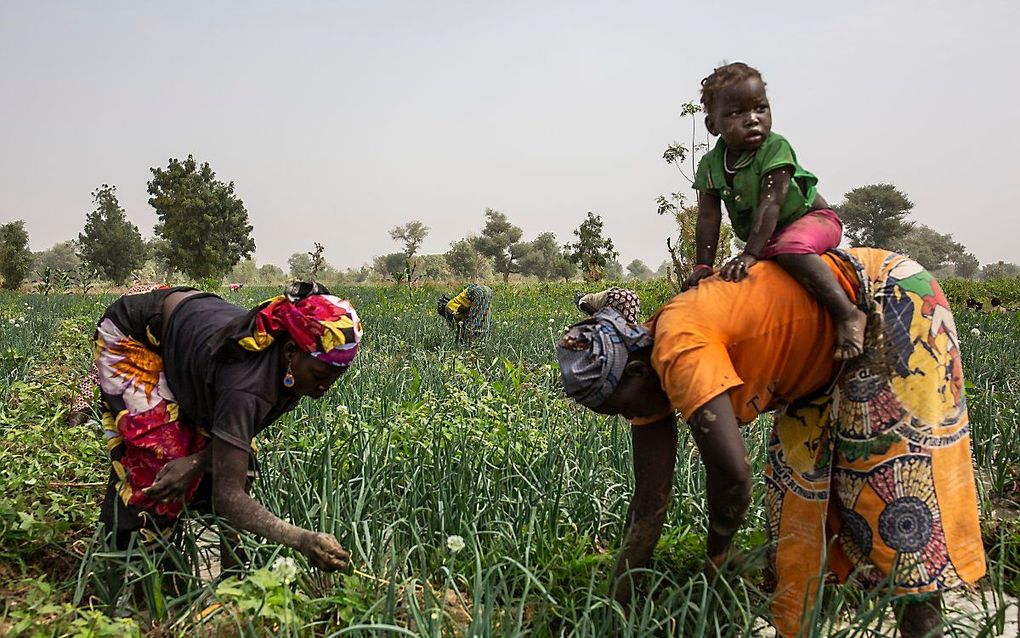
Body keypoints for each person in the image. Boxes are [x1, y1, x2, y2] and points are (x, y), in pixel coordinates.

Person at [558, 248, 985, 637]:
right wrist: (616, 601)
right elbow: (650, 498)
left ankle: (921, 625)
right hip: (815, 373)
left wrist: (718, 558)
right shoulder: (641, 370)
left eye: (616, 407)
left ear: (634, 373)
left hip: (879, 304)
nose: (623, 416)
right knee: (796, 501)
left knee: (891, 490)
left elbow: (732, 475)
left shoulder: (678, 348)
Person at [93, 281, 362, 571]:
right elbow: (228, 497)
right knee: (159, 466)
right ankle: (131, 571)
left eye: (336, 376)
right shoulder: (249, 385)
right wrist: (302, 540)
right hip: (137, 335)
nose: (326, 386)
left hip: (191, 333)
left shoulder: (292, 371)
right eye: (321, 373)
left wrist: (197, 461)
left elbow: (236, 438)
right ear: (290, 352)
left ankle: (231, 573)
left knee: (237, 463)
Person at [687, 62, 867, 361]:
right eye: (736, 113)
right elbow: (708, 217)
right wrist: (702, 266)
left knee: (790, 250)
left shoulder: (775, 148)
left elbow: (772, 204)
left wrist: (750, 254)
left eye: (760, 108)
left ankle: (848, 314)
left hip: (812, 220)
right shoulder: (710, 166)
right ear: (712, 125)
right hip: (771, 237)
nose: (753, 120)